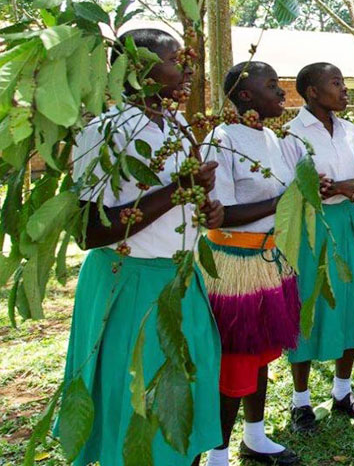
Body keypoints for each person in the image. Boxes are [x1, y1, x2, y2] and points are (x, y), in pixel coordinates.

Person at [61, 29, 224, 466]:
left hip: (181, 281)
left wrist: (210, 211)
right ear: (137, 69)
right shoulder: (102, 133)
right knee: (136, 402)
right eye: (176, 60)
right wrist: (177, 189)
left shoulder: (179, 127)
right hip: (128, 285)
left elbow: (193, 201)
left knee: (186, 390)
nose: (188, 70)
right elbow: (89, 232)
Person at [202, 61, 300, 466]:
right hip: (234, 262)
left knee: (261, 351)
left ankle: (255, 437)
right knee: (236, 358)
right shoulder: (221, 139)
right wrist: (282, 202)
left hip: (269, 258)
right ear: (245, 96)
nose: (281, 92)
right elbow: (219, 212)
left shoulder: (274, 140)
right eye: (273, 85)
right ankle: (218, 452)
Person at [282, 63, 354, 430]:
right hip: (311, 228)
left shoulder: (350, 131)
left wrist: (345, 187)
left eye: (343, 83)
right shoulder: (292, 135)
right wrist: (339, 187)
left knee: (350, 302)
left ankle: (342, 391)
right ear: (311, 91)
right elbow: (297, 190)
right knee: (308, 303)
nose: (343, 90)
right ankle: (301, 401)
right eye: (335, 83)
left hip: (345, 223)